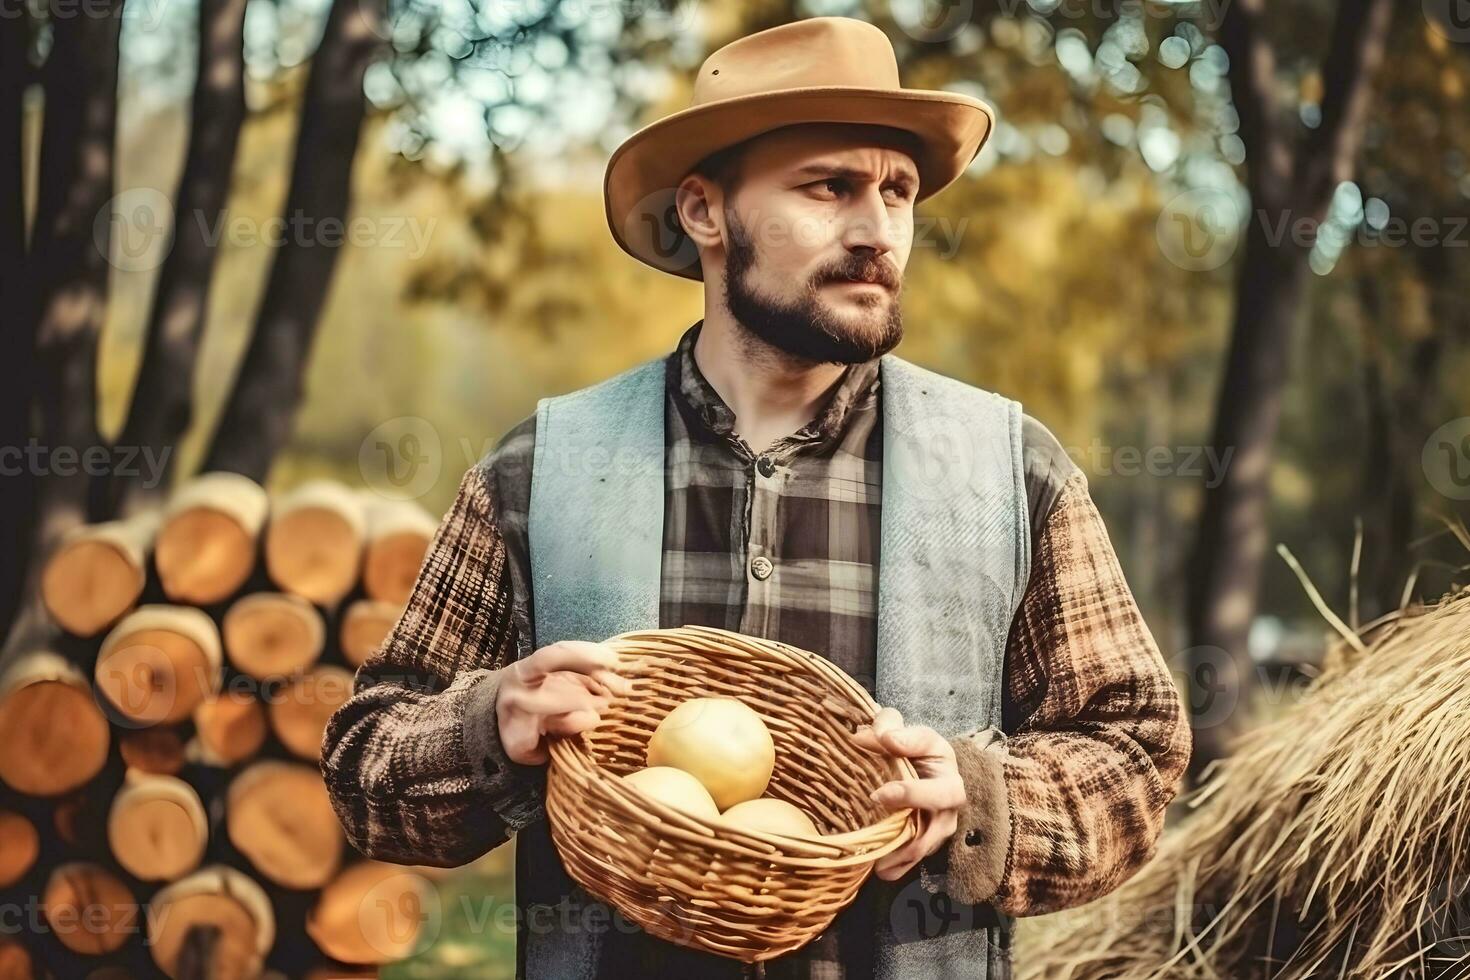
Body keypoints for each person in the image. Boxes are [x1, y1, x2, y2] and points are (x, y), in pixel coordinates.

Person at [321, 16, 1191, 980]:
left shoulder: (1015, 474)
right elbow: (368, 768)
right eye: (831, 187)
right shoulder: (537, 469)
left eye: (897, 192)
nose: (878, 231)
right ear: (704, 211)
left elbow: (1138, 755)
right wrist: (488, 727)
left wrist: (982, 802)